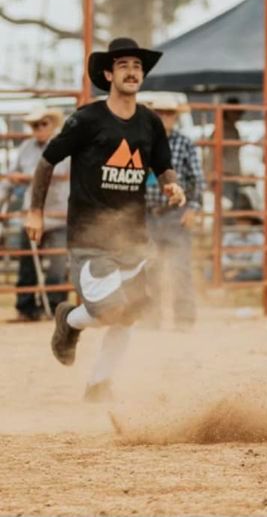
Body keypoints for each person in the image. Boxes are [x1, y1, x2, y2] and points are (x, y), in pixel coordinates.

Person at [25, 38, 185, 402]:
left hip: (132, 241)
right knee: (112, 309)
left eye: (137, 66)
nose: (132, 72)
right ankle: (69, 320)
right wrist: (34, 210)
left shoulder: (150, 123)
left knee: (130, 313)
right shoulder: (88, 119)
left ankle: (98, 384)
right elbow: (48, 159)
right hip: (90, 239)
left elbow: (163, 167)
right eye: (124, 65)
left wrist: (173, 188)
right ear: (109, 73)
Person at [0, 107, 69, 320]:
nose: (38, 129)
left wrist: (25, 177)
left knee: (57, 265)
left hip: (57, 214)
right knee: (28, 264)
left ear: (52, 124)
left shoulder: (62, 146)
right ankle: (27, 308)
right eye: (34, 125)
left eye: (43, 124)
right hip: (32, 215)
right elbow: (10, 179)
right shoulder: (26, 148)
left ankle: (56, 308)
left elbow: (58, 172)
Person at [143, 95, 204, 330]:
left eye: (169, 113)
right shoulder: (143, 143)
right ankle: (151, 318)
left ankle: (184, 320)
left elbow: (196, 179)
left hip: (174, 214)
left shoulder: (184, 143)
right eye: (160, 113)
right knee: (149, 268)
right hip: (148, 214)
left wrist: (193, 208)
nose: (164, 117)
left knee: (180, 269)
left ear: (175, 117)